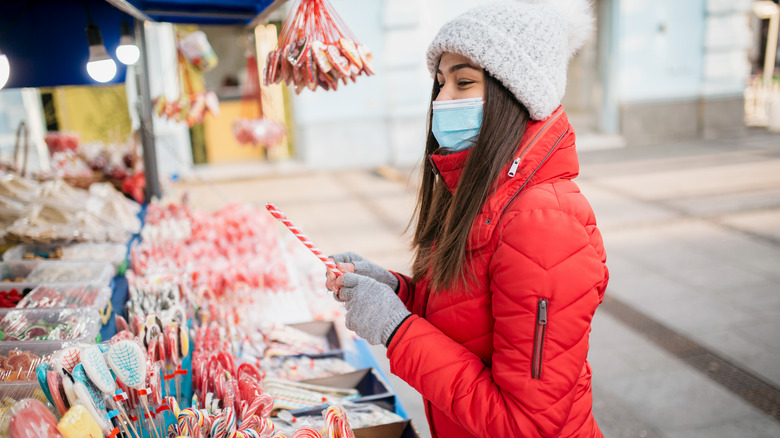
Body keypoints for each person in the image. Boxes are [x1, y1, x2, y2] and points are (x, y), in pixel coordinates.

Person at [326, 0, 609, 436]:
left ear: (518, 93)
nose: (442, 100)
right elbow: (471, 322)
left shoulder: (542, 224)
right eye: (440, 83)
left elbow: (527, 425)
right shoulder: (483, 194)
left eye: (463, 82)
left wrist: (397, 330)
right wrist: (398, 293)